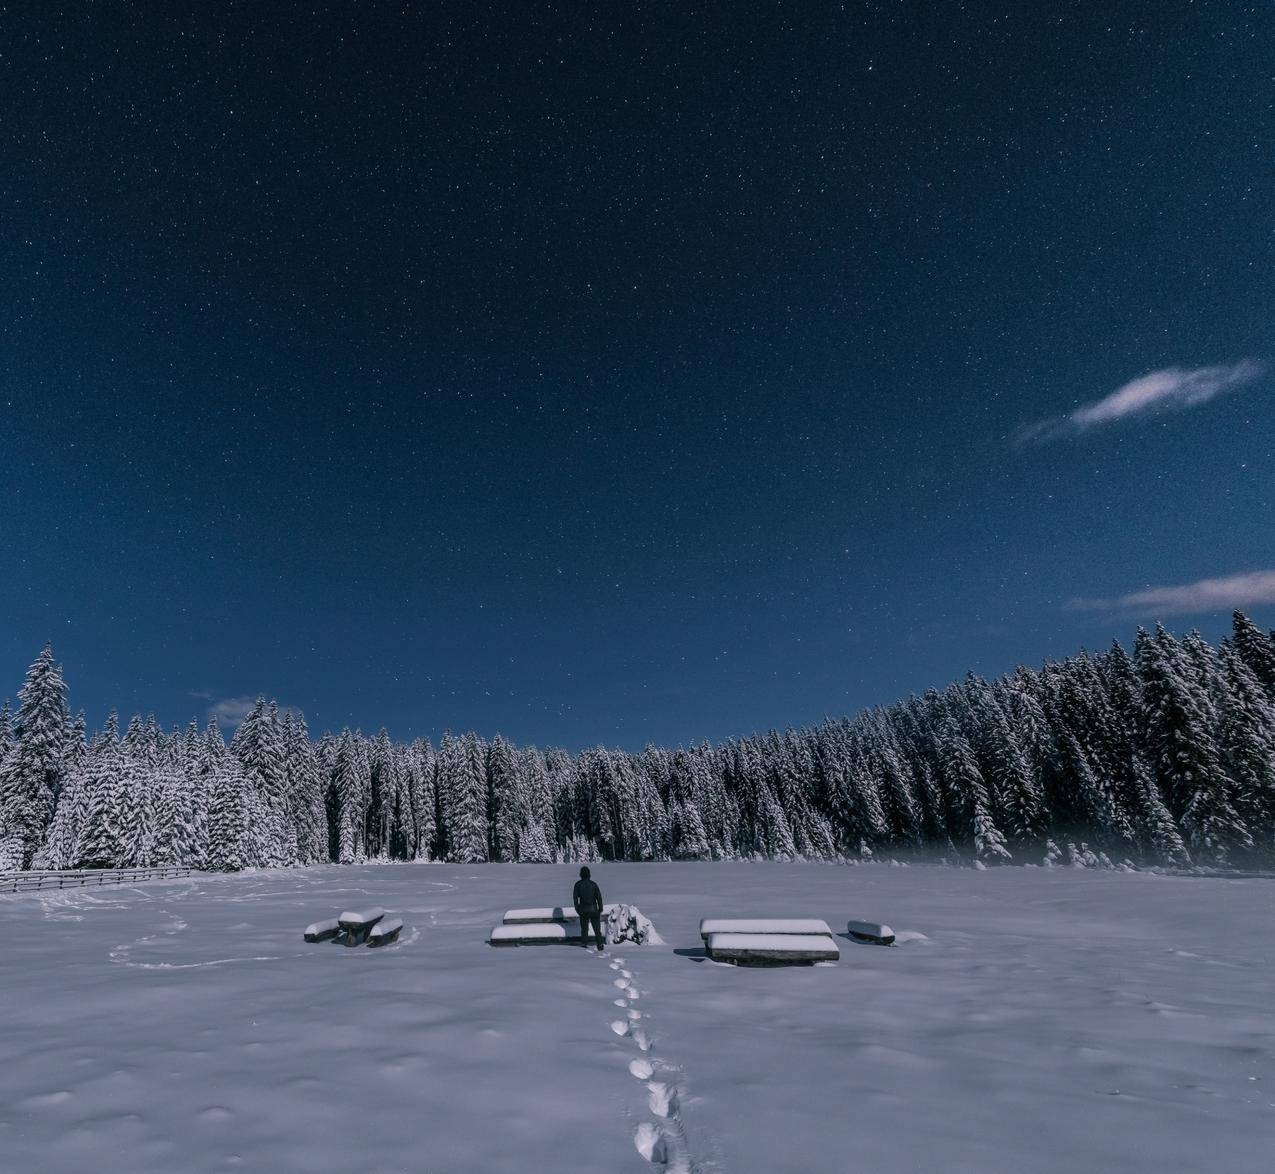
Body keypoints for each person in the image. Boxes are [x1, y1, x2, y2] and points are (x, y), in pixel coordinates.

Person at [572, 865, 604, 951]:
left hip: (583, 910)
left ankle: (584, 944)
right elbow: (599, 897)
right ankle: (600, 944)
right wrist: (600, 909)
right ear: (589, 874)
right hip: (594, 909)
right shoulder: (593, 884)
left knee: (584, 929)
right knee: (597, 929)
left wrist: (577, 909)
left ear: (581, 874)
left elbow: (575, 898)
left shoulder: (578, 884)